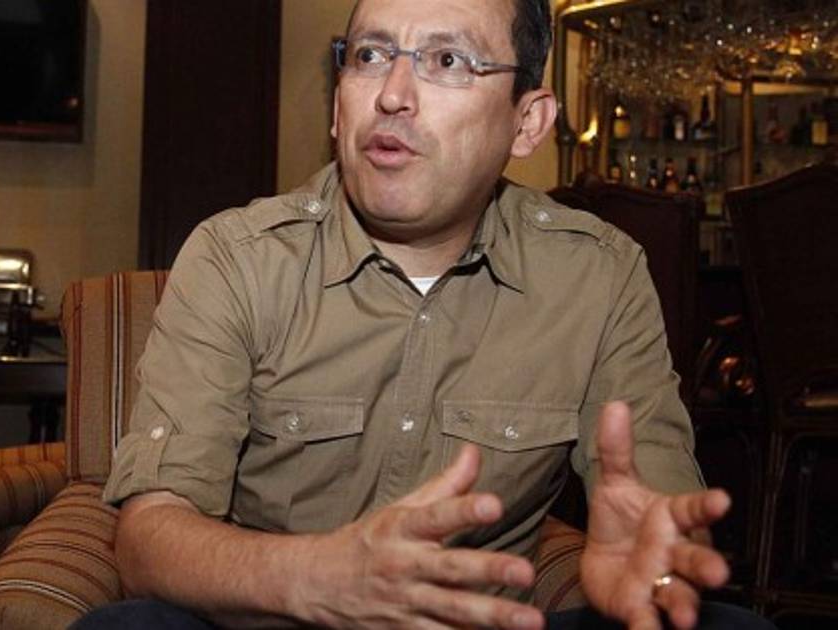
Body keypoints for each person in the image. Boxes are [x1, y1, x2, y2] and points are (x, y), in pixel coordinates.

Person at [77, 0, 773, 628]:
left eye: (448, 61)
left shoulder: (599, 274)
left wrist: (658, 565)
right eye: (370, 55)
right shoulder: (238, 258)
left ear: (527, 122)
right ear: (338, 104)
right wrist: (321, 578)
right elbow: (148, 538)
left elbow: (663, 519)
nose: (392, 95)